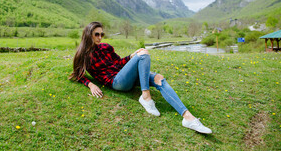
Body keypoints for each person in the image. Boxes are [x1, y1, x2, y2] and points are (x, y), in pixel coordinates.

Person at [69, 22, 212, 134]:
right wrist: (90, 84)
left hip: (124, 74)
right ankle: (146, 96)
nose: (100, 37)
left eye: (102, 34)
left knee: (159, 78)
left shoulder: (106, 47)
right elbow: (77, 74)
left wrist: (132, 56)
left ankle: (188, 117)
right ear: (89, 35)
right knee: (143, 54)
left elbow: (119, 63)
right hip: (117, 82)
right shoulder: (83, 55)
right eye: (96, 34)